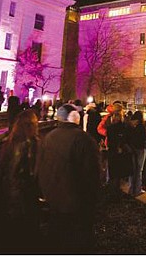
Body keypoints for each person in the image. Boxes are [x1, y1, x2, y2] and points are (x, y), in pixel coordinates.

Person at [37, 106, 101, 253]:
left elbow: (42, 166)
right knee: (75, 240)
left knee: (57, 237)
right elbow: (92, 174)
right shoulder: (84, 139)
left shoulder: (49, 137)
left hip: (53, 197)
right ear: (74, 117)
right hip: (75, 201)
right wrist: (92, 198)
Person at [0, 110, 40, 252]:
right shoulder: (25, 145)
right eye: (31, 124)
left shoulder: (11, 143)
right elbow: (17, 170)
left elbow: (4, 167)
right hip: (21, 192)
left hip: (16, 191)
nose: (34, 127)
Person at [127, 111, 146, 196]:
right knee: (139, 170)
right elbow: (145, 139)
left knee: (132, 170)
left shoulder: (130, 127)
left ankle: (131, 189)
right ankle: (137, 189)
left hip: (132, 149)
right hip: (140, 149)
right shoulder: (142, 128)